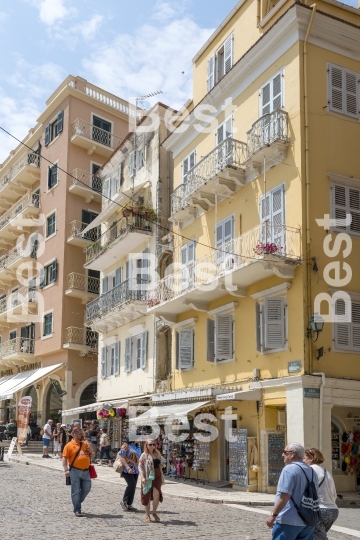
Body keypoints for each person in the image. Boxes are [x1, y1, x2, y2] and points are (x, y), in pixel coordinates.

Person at [266, 442, 319, 540]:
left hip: (289, 519)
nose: (282, 455)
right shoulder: (311, 471)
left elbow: (285, 495)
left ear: (293, 454)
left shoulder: (289, 469)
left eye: (285, 452)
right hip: (308, 519)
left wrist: (273, 515)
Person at [304, 448, 339, 540]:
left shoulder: (310, 470)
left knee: (317, 537)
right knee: (317, 536)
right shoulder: (325, 471)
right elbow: (334, 494)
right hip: (333, 510)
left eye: (304, 458)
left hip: (320, 509)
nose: (302, 461)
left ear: (311, 458)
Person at [62, 428, 93, 517]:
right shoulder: (69, 445)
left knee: (87, 489)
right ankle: (77, 509)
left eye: (82, 434)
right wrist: (66, 469)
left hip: (86, 471)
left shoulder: (86, 444)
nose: (82, 435)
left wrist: (91, 452)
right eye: (80, 434)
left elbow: (92, 455)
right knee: (75, 491)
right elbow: (64, 458)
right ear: (74, 435)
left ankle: (76, 502)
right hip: (75, 471)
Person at [139, 439, 164, 523]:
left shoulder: (157, 454)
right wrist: (142, 477)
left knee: (156, 495)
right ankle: (147, 514)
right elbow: (140, 466)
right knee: (147, 495)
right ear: (146, 445)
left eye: (153, 444)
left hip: (157, 476)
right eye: (150, 444)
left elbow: (161, 462)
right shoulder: (144, 455)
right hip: (147, 476)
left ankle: (154, 512)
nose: (152, 446)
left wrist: (162, 463)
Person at [118, 442, 140, 512]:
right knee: (131, 485)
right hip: (127, 469)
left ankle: (129, 504)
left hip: (136, 470)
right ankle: (124, 500)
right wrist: (127, 467)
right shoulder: (126, 446)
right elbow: (121, 457)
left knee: (133, 487)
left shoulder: (138, 447)